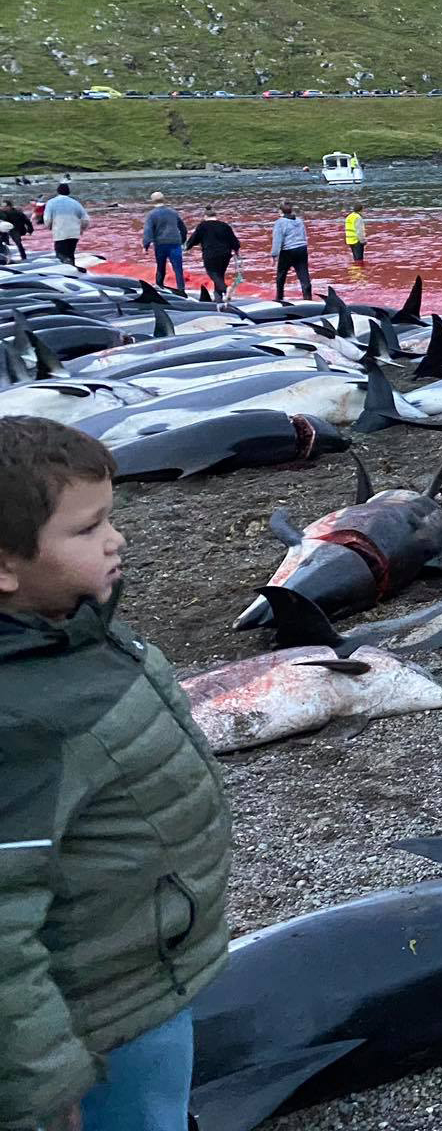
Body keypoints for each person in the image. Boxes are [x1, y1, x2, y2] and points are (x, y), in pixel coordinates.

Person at [0, 417, 232, 1131]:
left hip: (140, 972)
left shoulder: (69, 629)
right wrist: (44, 1084)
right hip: (96, 1023)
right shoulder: (21, 719)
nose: (116, 539)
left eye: (111, 517)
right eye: (87, 528)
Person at [185, 207, 240, 301]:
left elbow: (194, 239)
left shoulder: (203, 226)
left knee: (212, 272)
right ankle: (218, 298)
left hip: (210, 253)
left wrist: (187, 247)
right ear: (215, 216)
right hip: (225, 254)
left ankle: (225, 289)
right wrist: (236, 250)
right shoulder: (225, 226)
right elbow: (234, 241)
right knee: (220, 274)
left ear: (205, 216)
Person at [137, 193, 187, 294]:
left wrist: (146, 246)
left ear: (152, 201)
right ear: (164, 199)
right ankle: (181, 290)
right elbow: (183, 228)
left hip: (160, 243)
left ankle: (159, 288)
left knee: (160, 267)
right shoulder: (173, 212)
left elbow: (148, 231)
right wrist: (182, 240)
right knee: (178, 268)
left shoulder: (152, 214)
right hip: (175, 242)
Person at [39, 183, 88, 268]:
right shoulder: (75, 203)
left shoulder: (51, 202)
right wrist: (82, 228)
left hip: (60, 231)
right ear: (68, 191)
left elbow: (47, 218)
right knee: (71, 253)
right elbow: (85, 218)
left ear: (58, 191)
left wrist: (49, 226)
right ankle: (72, 268)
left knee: (60, 254)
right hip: (74, 232)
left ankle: (66, 266)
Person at [271, 203, 311, 301]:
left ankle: (279, 298)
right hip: (302, 248)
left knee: (281, 276)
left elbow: (277, 239)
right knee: (304, 275)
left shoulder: (280, 222)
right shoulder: (299, 221)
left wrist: (274, 255)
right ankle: (307, 297)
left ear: (280, 212)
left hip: (287, 251)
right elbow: (304, 235)